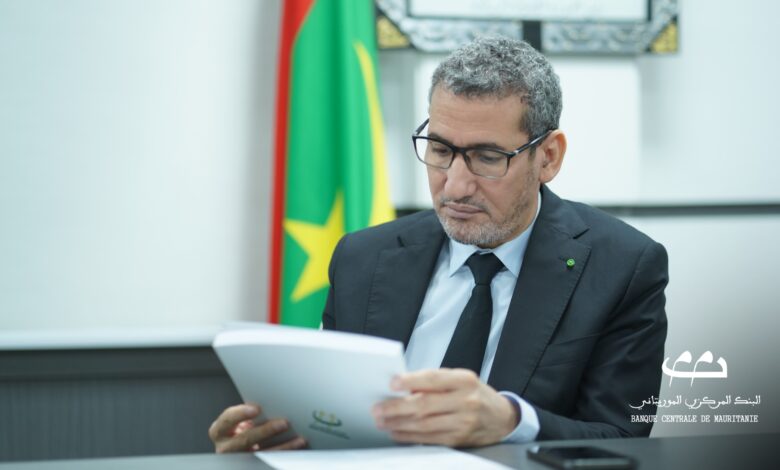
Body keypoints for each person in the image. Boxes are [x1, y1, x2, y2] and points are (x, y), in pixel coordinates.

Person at [209, 36, 668, 452]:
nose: (456, 186)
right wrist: (273, 438)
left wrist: (512, 421)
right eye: (441, 150)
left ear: (547, 157)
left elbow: (623, 440)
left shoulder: (622, 267)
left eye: (487, 157)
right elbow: (332, 419)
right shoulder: (361, 259)